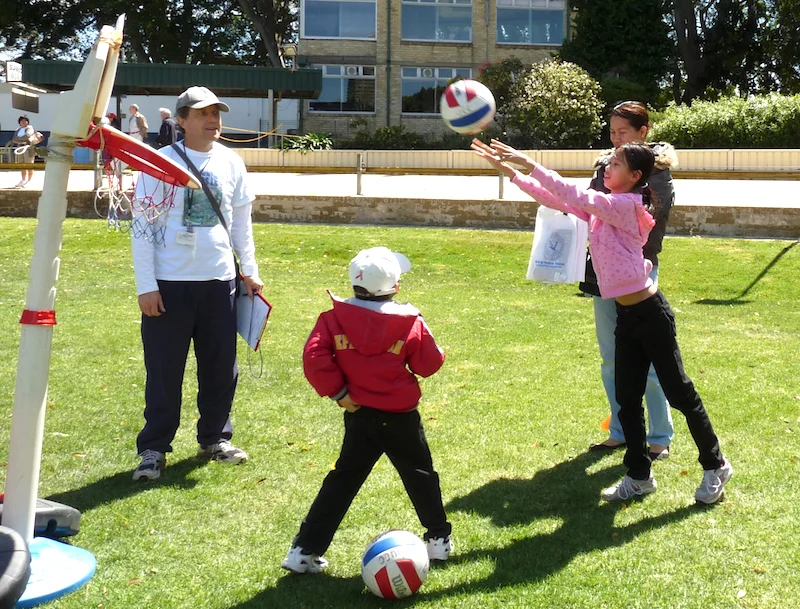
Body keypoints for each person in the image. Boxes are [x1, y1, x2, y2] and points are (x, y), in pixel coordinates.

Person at [472, 138, 733, 505]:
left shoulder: (625, 205)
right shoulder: (606, 205)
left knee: (679, 392)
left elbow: (574, 194)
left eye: (615, 165)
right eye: (608, 163)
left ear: (635, 176)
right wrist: (510, 172)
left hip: (651, 314)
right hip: (627, 316)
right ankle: (639, 476)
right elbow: (558, 200)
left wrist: (529, 162)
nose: (607, 168)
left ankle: (716, 464)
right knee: (627, 400)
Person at [282, 247, 453, 574]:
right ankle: (438, 542)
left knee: (342, 481)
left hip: (359, 414)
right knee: (420, 475)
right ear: (395, 286)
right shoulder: (410, 321)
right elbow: (428, 363)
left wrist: (339, 392)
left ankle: (303, 552)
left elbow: (314, 357)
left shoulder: (332, 319)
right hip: (401, 416)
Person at [130, 86, 263, 481]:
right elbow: (143, 230)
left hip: (218, 282)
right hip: (169, 285)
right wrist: (146, 285)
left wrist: (249, 270)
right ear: (181, 120)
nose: (212, 120)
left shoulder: (232, 162)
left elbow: (241, 223)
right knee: (164, 371)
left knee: (221, 368)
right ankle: (154, 449)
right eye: (202, 114)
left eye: (216, 113)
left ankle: (215, 438)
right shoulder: (159, 164)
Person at [584, 102, 678, 461]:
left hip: (638, 276)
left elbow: (639, 222)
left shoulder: (656, 176)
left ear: (643, 132)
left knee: (649, 361)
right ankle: (621, 430)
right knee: (611, 357)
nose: (616, 139)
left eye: (623, 132)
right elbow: (587, 208)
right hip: (603, 274)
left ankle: (659, 437)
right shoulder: (607, 169)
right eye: (612, 133)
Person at [11, 115, 37, 188]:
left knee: (29, 164)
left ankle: (29, 180)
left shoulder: (30, 128)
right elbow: (14, 139)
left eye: (25, 120)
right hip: (20, 148)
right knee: (21, 164)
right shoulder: (18, 130)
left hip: (28, 148)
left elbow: (27, 136)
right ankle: (23, 180)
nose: (23, 122)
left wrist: (19, 139)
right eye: (22, 121)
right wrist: (20, 140)